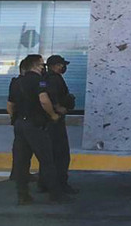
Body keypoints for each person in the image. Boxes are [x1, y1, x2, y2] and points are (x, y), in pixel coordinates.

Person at [12, 54, 67, 204]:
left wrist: (16, 119)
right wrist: (53, 115)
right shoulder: (39, 81)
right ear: (35, 66)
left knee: (22, 162)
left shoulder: (16, 82)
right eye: (42, 65)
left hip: (20, 124)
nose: (43, 68)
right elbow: (44, 100)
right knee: (47, 160)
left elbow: (10, 105)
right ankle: (56, 195)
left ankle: (23, 195)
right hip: (36, 125)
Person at [44, 55, 77, 194]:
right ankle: (60, 184)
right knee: (61, 153)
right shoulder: (53, 79)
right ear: (54, 66)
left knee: (51, 152)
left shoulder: (47, 78)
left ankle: (46, 183)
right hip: (55, 120)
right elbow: (51, 96)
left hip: (50, 120)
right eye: (60, 65)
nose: (63, 67)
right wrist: (58, 108)